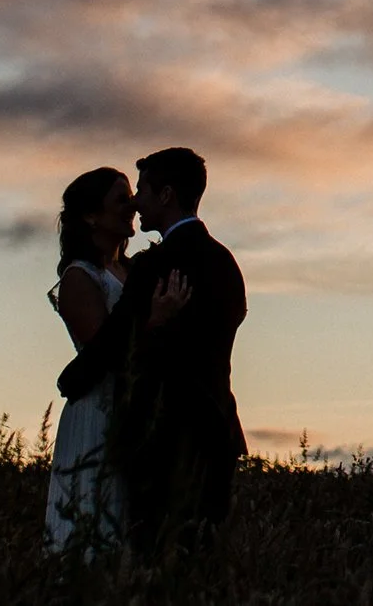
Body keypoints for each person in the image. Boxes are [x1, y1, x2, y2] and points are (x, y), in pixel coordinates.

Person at [57, 146, 248, 553]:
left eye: (140, 191)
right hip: (215, 429)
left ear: (165, 196)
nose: (135, 203)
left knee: (153, 556)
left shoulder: (153, 267)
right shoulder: (225, 262)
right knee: (202, 560)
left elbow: (112, 345)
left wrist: (69, 380)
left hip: (161, 435)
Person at [41, 167, 131, 551]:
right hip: (96, 412)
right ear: (92, 216)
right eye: (121, 200)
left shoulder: (129, 270)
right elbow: (103, 349)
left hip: (129, 411)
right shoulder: (80, 277)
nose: (132, 207)